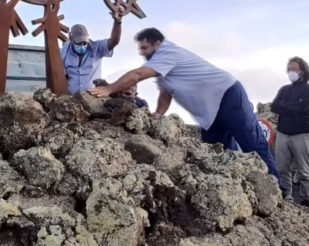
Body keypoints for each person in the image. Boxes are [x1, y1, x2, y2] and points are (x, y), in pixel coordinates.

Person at [89, 28, 279, 179]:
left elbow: (138, 74)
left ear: (157, 44)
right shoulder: (162, 64)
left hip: (227, 95)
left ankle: (276, 190)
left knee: (252, 143)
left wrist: (109, 88)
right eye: (140, 49)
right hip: (210, 111)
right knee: (214, 154)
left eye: (145, 48)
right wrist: (158, 115)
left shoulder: (167, 52)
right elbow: (166, 92)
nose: (142, 52)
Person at [271, 57, 309, 205]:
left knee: (304, 168)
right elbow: (274, 107)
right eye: (289, 69)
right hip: (283, 132)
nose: (291, 71)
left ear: (302, 71)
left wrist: (286, 105)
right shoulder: (284, 89)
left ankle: (307, 198)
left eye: (294, 69)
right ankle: (286, 195)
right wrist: (293, 106)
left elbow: (303, 107)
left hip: (302, 133)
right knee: (282, 167)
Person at [61, 20, 122, 95]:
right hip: (72, 97)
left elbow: (114, 41)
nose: (82, 46)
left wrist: (117, 22)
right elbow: (63, 76)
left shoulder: (97, 48)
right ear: (71, 40)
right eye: (79, 43)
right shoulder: (64, 51)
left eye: (84, 43)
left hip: (93, 97)